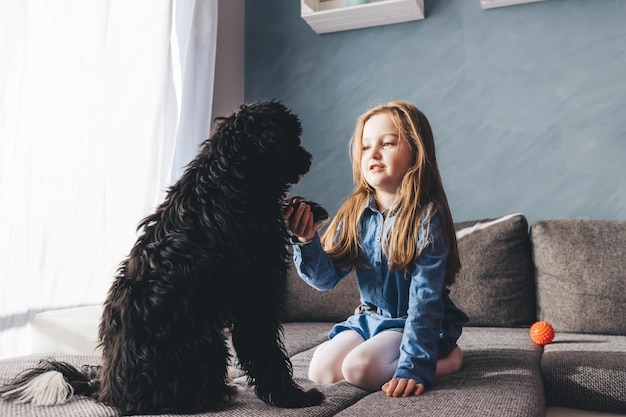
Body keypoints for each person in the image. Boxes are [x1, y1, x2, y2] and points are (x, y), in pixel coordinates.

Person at [285, 100, 469, 398]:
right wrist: (307, 241)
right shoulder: (354, 211)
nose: (374, 153)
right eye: (366, 146)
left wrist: (414, 368)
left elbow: (425, 301)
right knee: (321, 369)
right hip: (370, 318)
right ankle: (385, 353)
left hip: (413, 321)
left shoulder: (426, 216)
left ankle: (447, 359)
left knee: (361, 370)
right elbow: (325, 279)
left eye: (387, 143)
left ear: (416, 153)